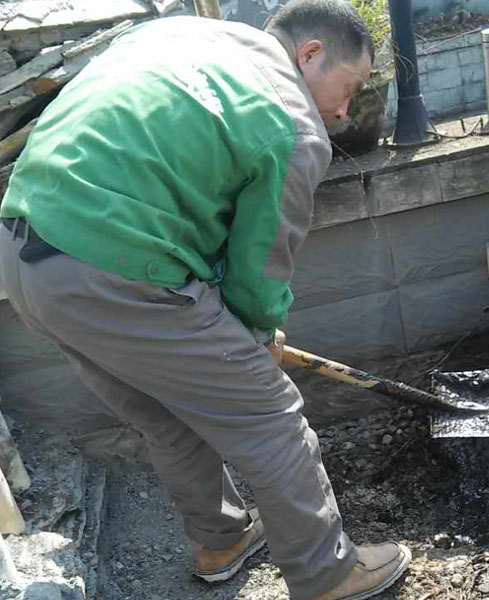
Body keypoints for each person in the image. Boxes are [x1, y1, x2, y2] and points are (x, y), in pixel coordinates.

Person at [0, 1, 411, 599]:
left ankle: (220, 540)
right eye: (347, 89)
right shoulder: (292, 122)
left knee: (164, 415)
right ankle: (327, 573)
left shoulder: (182, 34)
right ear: (311, 54)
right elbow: (261, 263)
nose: (345, 111)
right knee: (270, 417)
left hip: (24, 254)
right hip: (114, 266)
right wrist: (258, 332)